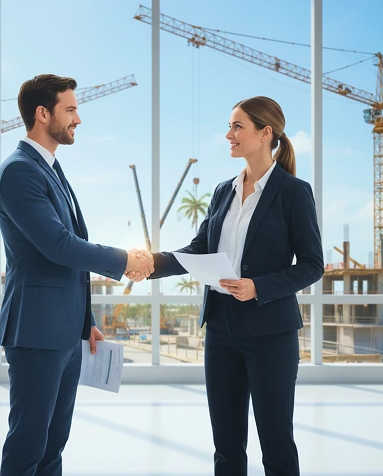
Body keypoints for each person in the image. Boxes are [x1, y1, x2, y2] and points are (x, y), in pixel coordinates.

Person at [129, 96, 324, 476]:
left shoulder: (293, 192)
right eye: (229, 126)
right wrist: (152, 263)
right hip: (220, 328)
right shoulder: (223, 191)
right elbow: (199, 249)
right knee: (226, 446)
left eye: (237, 127)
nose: (228, 134)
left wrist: (259, 287)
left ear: (265, 133)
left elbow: (313, 265)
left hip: (270, 331)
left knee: (276, 443)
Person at [0, 74, 153, 476]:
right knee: (28, 444)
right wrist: (124, 259)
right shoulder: (18, 172)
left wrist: (87, 323)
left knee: (52, 447)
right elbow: (59, 246)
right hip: (35, 331)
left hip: (64, 332)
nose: (78, 119)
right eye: (71, 109)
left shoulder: (50, 169)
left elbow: (68, 254)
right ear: (43, 114)